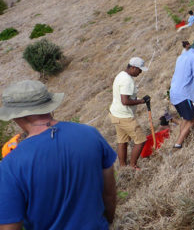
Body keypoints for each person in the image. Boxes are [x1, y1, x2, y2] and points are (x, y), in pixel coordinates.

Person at [0, 80, 117, 229]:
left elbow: (9, 227)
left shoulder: (10, 165)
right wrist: (109, 221)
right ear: (48, 105)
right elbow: (109, 193)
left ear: (17, 116)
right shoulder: (91, 134)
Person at [109, 57, 150, 169]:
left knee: (122, 141)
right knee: (141, 140)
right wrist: (141, 101)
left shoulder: (121, 75)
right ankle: (133, 165)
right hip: (125, 116)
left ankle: (123, 166)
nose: (140, 72)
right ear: (133, 67)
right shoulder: (127, 81)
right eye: (139, 70)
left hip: (116, 114)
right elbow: (125, 101)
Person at [169, 39, 194, 148]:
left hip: (174, 92)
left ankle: (183, 141)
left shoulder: (181, 56)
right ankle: (178, 144)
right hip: (184, 93)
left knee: (186, 119)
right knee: (192, 120)